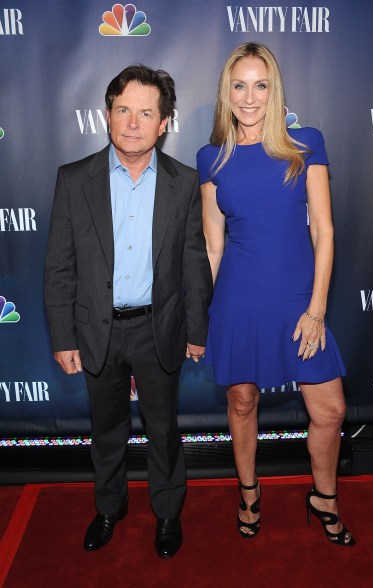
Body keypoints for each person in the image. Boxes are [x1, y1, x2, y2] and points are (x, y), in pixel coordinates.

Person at [45, 64, 212, 558]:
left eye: (146, 113)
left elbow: (194, 263)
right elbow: (59, 265)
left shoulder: (184, 183)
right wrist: (62, 336)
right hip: (97, 331)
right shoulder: (74, 180)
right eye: (124, 110)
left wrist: (197, 330)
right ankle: (108, 508)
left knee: (163, 430)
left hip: (158, 329)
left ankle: (166, 514)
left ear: (164, 123)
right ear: (107, 115)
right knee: (106, 431)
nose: (133, 122)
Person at [197, 42, 355, 545]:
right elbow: (213, 249)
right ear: (227, 92)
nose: (249, 97)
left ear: (274, 90)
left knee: (329, 411)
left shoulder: (305, 143)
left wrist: (316, 310)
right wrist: (207, 320)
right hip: (237, 301)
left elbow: (324, 232)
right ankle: (248, 492)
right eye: (239, 86)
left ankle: (323, 497)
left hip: (297, 301)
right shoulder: (211, 157)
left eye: (260, 85)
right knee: (242, 401)